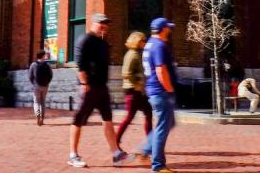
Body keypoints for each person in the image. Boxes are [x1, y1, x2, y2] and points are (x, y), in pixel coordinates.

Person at [68, 13, 132, 168]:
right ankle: (73, 155)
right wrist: (84, 85)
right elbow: (81, 65)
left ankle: (116, 154)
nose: (104, 25)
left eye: (105, 23)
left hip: (102, 87)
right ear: (93, 23)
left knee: (107, 119)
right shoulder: (84, 41)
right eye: (101, 22)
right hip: (89, 87)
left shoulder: (102, 43)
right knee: (79, 120)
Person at [137, 18, 178, 173]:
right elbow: (161, 70)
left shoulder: (149, 44)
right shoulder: (160, 45)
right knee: (162, 127)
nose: (170, 31)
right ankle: (158, 165)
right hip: (160, 91)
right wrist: (169, 89)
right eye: (168, 28)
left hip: (153, 90)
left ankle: (146, 148)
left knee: (169, 123)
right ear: (163, 29)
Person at [116, 31, 153, 150]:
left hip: (139, 92)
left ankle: (150, 143)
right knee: (129, 117)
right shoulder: (132, 54)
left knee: (148, 113)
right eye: (143, 40)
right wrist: (136, 83)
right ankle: (116, 141)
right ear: (137, 41)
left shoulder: (137, 53)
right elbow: (126, 73)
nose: (145, 43)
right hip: (133, 91)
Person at [28, 51, 53, 125]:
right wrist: (47, 83)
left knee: (36, 102)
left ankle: (37, 116)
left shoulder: (33, 64)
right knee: (43, 102)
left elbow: (30, 76)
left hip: (36, 85)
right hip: (45, 86)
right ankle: (42, 119)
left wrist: (34, 83)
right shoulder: (47, 65)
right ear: (43, 56)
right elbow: (51, 75)